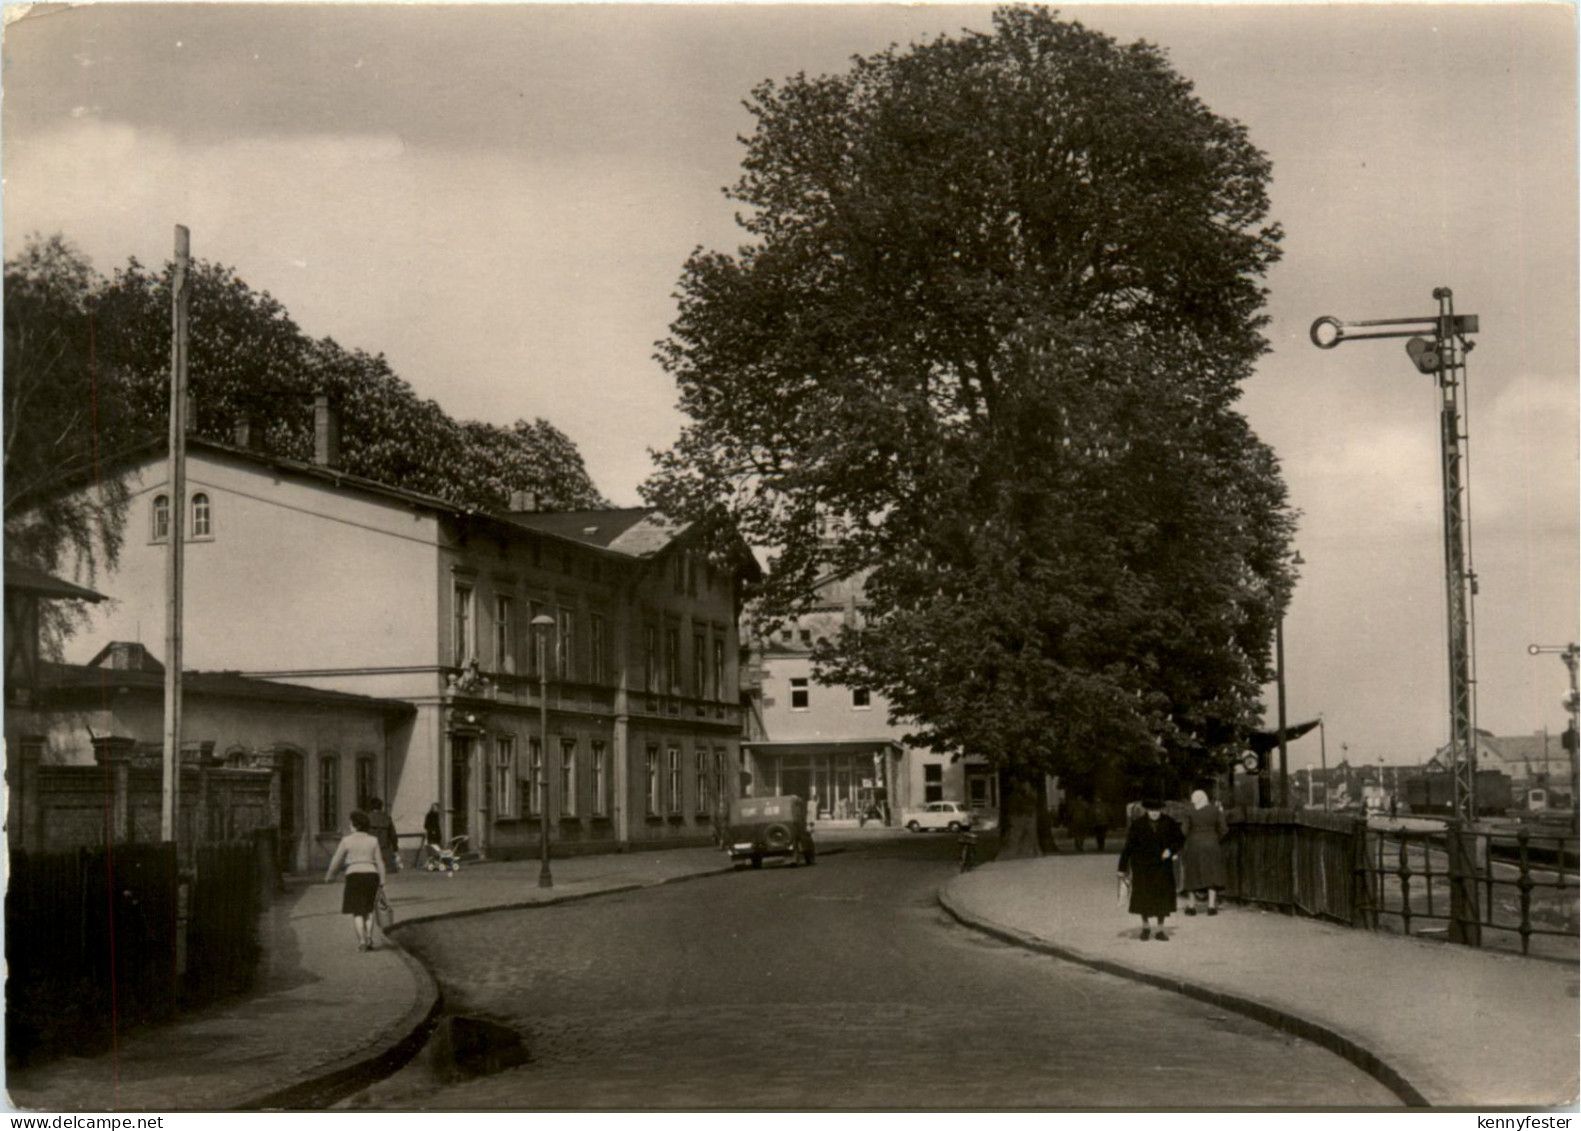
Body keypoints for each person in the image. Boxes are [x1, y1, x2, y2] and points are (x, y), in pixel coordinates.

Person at [1117, 797, 1185, 941]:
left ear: (1161, 810)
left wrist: (1170, 851)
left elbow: (1180, 839)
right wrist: (1122, 867)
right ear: (1147, 810)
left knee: (1162, 897)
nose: (1154, 813)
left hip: (1162, 866)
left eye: (1157, 810)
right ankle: (1145, 927)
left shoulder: (1169, 822)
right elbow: (1128, 846)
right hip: (1142, 866)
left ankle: (1160, 929)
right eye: (1151, 810)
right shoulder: (1138, 825)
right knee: (1144, 896)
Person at [325, 809, 387, 951]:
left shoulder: (347, 840)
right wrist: (383, 880)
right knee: (369, 910)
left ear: (355, 825)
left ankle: (362, 941)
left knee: (358, 911)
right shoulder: (373, 840)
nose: (349, 825)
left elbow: (336, 860)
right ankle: (370, 939)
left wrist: (330, 876)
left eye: (351, 823)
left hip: (354, 876)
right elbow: (380, 862)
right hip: (371, 875)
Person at [1179, 788, 1228, 916]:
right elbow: (1224, 830)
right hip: (1212, 844)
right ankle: (1211, 906)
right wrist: (1215, 839)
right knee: (1212, 873)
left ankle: (1191, 906)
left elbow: (1183, 832)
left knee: (1193, 874)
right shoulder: (1215, 810)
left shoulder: (1189, 812)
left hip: (1194, 845)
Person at [366, 798, 400, 872]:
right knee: (388, 869)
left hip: (370, 848)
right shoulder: (387, 818)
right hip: (384, 848)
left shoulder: (367, 818)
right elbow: (393, 835)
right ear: (381, 807)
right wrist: (395, 848)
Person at [423, 802, 443, 867]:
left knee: (437, 849)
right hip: (431, 836)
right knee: (432, 849)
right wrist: (432, 830)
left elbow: (438, 826)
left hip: (437, 835)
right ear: (432, 808)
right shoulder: (429, 815)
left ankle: (437, 862)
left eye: (437, 808)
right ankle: (431, 863)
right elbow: (426, 825)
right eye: (435, 808)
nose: (436, 809)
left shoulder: (438, 815)